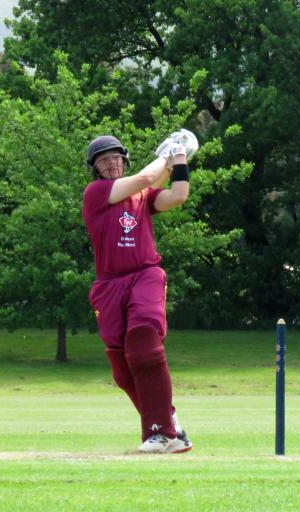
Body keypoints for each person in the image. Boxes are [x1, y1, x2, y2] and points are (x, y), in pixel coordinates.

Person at [81, 130, 198, 454]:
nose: (111, 164)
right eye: (104, 161)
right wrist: (168, 153)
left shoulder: (143, 197)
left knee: (143, 339)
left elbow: (177, 195)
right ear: (97, 168)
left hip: (144, 274)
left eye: (116, 158)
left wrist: (179, 160)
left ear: (124, 159)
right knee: (121, 369)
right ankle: (171, 424)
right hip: (108, 285)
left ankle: (160, 432)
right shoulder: (97, 193)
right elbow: (147, 175)